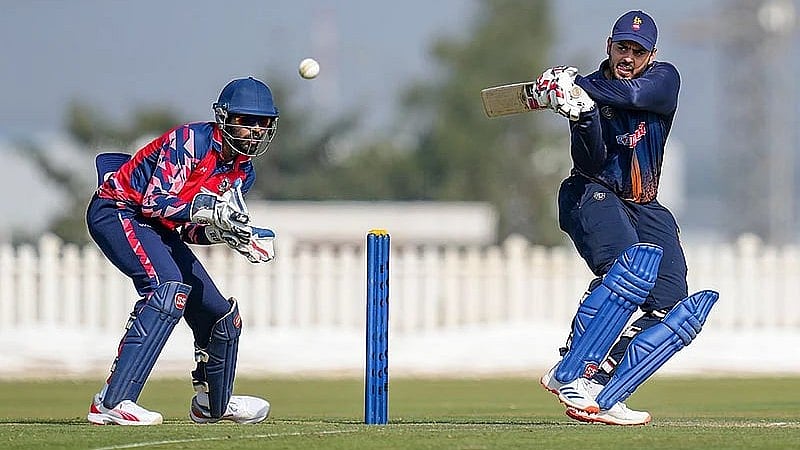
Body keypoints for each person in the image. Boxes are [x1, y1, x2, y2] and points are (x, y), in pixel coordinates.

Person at [531, 11, 719, 425]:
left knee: (671, 307)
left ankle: (603, 386)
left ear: (652, 55)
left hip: (644, 203)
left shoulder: (663, 79)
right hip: (591, 193)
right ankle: (572, 368)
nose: (628, 57)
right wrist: (581, 117)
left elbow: (634, 97)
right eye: (622, 48)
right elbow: (591, 158)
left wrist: (576, 87)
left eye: (638, 51)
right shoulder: (592, 102)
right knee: (626, 272)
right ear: (608, 47)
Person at [85, 76, 279, 425]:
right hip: (117, 209)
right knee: (166, 289)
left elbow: (188, 230)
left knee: (221, 315)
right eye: (245, 121)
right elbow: (155, 202)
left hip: (154, 223)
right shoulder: (190, 141)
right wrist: (210, 209)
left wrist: (228, 234)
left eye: (262, 124)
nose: (253, 131)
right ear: (224, 118)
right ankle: (111, 401)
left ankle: (211, 406)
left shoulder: (242, 172)